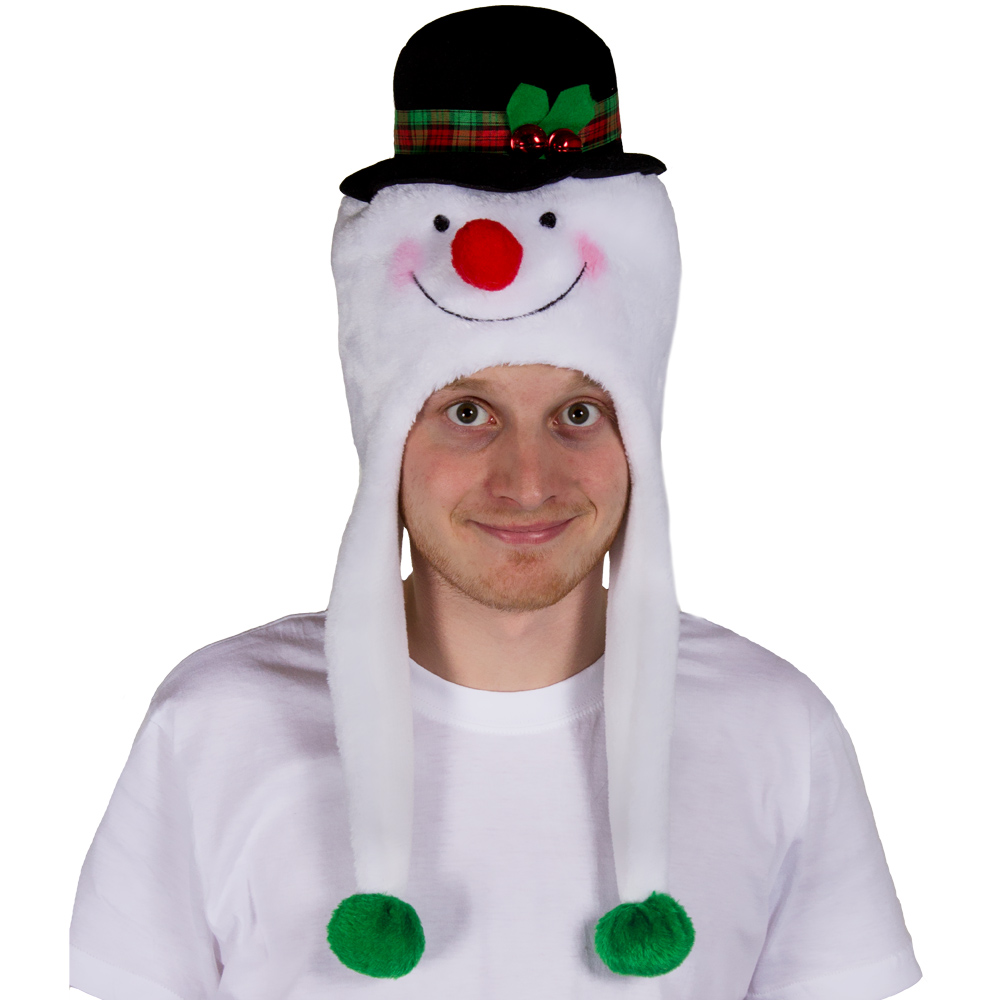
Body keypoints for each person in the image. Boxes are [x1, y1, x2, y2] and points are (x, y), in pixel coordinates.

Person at [69, 7, 922, 998]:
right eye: (467, 411)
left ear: (639, 435)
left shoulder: (775, 731)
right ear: (386, 432)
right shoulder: (216, 727)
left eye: (578, 412)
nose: (527, 481)